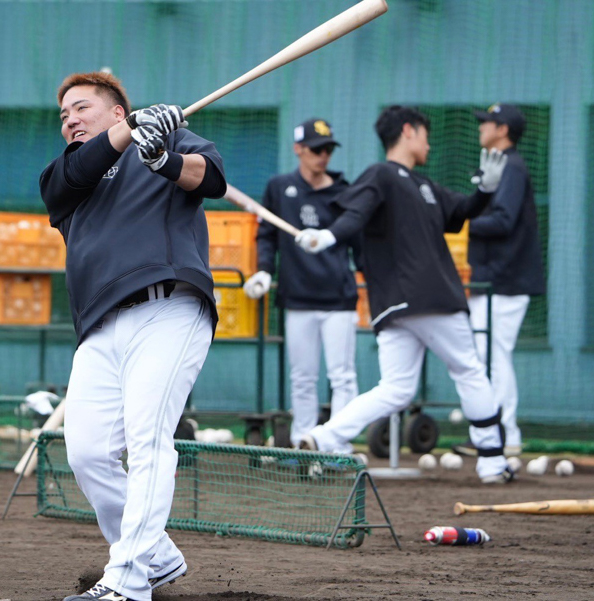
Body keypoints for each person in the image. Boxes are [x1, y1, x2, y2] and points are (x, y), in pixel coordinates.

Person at [39, 71, 226, 601]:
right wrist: (129, 133)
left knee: (148, 442)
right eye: (63, 115)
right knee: (87, 454)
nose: (69, 119)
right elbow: (68, 180)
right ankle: (158, 557)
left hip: (169, 307)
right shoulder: (67, 173)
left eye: (81, 109)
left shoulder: (171, 137)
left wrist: (163, 158)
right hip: (99, 324)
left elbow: (208, 177)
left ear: (118, 110)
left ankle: (125, 582)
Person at [294, 105, 513, 484]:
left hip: (394, 305)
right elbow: (355, 214)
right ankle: (493, 462)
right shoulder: (382, 174)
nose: (429, 144)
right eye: (426, 135)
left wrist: (486, 190)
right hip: (433, 297)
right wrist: (329, 236)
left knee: (395, 389)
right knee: (469, 370)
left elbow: (463, 210)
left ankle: (322, 436)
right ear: (408, 132)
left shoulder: (423, 184)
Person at [242, 118, 359, 447]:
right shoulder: (279, 188)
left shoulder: (344, 192)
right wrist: (265, 270)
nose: (323, 156)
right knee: (303, 378)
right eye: (316, 149)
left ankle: (338, 445)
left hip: (338, 299)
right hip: (298, 299)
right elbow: (266, 235)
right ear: (299, 149)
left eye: (328, 150)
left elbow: (358, 242)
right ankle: (303, 442)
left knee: (342, 376)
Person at [452, 104, 546, 458]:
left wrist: (458, 224)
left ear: (503, 129)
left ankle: (505, 433)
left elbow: (503, 222)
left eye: (487, 122)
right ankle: (492, 433)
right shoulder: (498, 163)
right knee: (485, 354)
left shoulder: (512, 167)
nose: (481, 127)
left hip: (506, 281)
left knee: (493, 355)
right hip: (490, 279)